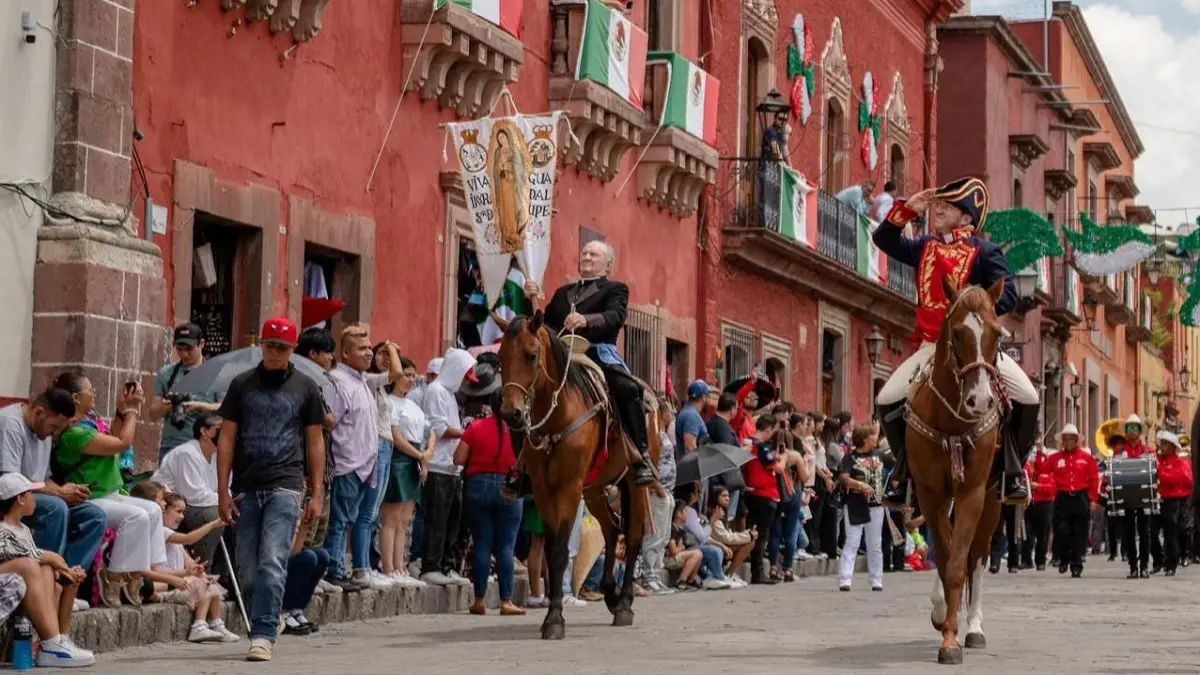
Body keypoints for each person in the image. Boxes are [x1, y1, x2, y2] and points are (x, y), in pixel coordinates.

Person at [872, 177, 1039, 506]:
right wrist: (907, 210)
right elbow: (884, 239)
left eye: (947, 208)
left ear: (966, 219)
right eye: (939, 205)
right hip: (931, 346)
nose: (938, 211)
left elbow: (1008, 294)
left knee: (1029, 397)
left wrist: (977, 311)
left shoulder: (985, 252)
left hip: (974, 347)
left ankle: (1012, 471)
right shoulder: (924, 247)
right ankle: (903, 474)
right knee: (887, 397)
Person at [217, 317, 326, 663]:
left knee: (272, 561)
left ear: (293, 350)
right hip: (246, 486)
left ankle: (262, 633)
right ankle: (268, 616)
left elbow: (315, 443)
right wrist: (221, 490)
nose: (276, 353)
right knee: (248, 568)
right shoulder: (241, 385)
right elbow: (227, 438)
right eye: (270, 345)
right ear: (261, 345)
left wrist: (317, 493)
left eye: (283, 347)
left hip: (287, 485)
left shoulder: (306, 388)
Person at [523, 241, 654, 484]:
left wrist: (587, 319)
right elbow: (543, 326)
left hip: (596, 352)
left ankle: (641, 456)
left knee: (628, 389)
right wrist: (528, 297)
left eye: (594, 254)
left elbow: (616, 317)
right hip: (562, 354)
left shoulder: (616, 289)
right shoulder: (563, 292)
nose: (587, 256)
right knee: (524, 391)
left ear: (608, 264)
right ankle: (520, 466)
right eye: (584, 253)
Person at [49, 371, 165, 608]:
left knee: (153, 510)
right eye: (89, 392)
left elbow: (114, 433)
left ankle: (136, 573)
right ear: (75, 398)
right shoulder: (74, 433)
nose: (94, 395)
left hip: (110, 492)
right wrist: (133, 411)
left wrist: (122, 411)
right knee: (137, 516)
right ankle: (112, 576)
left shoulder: (90, 421)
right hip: (90, 496)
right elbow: (121, 443)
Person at [321, 327, 399, 590]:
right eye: (362, 349)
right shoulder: (338, 381)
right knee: (340, 520)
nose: (368, 353)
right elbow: (330, 423)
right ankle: (333, 570)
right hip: (348, 462)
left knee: (353, 519)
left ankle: (342, 568)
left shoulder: (361, 380)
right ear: (345, 352)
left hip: (366, 463)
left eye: (369, 348)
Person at [0, 388, 106, 576]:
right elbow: (11, 484)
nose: (54, 434)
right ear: (39, 412)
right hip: (12, 498)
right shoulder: (10, 424)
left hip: (34, 494)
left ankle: (67, 580)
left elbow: (44, 477)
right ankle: (44, 579)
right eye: (54, 427)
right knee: (55, 508)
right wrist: (59, 493)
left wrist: (65, 490)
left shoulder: (43, 431)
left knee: (94, 516)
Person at [0, 473, 95, 667]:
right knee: (33, 564)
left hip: (24, 582)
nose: (35, 498)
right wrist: (56, 560)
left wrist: (64, 571)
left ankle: (58, 640)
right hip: (9, 579)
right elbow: (24, 554)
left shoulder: (25, 530)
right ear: (19, 499)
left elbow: (37, 556)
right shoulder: (2, 528)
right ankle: (52, 643)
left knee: (56, 577)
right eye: (31, 493)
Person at [453, 364, 524, 616]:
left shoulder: (476, 427)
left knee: (481, 543)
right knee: (506, 546)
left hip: (478, 486)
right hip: (509, 486)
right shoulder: (518, 431)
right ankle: (506, 601)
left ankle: (480, 600)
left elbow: (458, 459)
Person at [146, 492, 237, 644]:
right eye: (178, 511)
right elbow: (189, 539)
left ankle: (216, 623)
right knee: (203, 585)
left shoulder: (174, 538)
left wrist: (197, 570)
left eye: (184, 512)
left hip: (177, 583)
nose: (182, 517)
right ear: (164, 511)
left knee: (208, 581)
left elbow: (189, 564)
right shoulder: (161, 531)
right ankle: (199, 625)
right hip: (166, 585)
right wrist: (212, 525)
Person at [419, 347, 476, 586]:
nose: (465, 382)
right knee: (437, 520)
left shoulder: (449, 395)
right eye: (464, 376)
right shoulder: (435, 391)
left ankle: (447, 564)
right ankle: (431, 565)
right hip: (438, 466)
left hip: (452, 468)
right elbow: (438, 428)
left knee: (452, 520)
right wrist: (468, 433)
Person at [379, 356, 431, 587]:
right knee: (390, 517)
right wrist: (418, 455)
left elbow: (430, 431)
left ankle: (400, 566)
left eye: (413, 375)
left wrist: (426, 455)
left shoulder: (414, 406)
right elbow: (396, 437)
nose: (410, 380)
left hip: (416, 458)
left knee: (404, 519)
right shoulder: (389, 402)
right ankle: (388, 566)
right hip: (399, 459)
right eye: (406, 375)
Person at [152, 412, 223, 567]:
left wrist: (227, 499)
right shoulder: (187, 453)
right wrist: (225, 500)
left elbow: (224, 487)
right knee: (215, 515)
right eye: (219, 428)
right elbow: (195, 496)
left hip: (193, 502)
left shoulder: (218, 455)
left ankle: (225, 575)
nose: (224, 432)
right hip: (170, 504)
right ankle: (202, 568)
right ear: (204, 431)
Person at [149, 323, 220, 460]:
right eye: (180, 349)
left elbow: (225, 407)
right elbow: (153, 414)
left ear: (202, 344)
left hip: (204, 445)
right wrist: (169, 405)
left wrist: (199, 406)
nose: (184, 354)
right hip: (171, 445)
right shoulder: (166, 374)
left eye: (189, 349)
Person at [837, 424, 886, 592]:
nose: (876, 439)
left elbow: (895, 471)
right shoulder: (849, 458)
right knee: (852, 541)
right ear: (865, 439)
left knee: (875, 544)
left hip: (876, 505)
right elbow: (843, 478)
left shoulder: (880, 455)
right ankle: (845, 579)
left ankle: (876, 580)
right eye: (873, 436)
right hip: (855, 503)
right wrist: (859, 484)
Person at [1050, 425, 1099, 578]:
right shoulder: (1054, 459)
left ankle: (1076, 565)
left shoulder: (1087, 458)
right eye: (1066, 439)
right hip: (1062, 498)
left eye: (1071, 438)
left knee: (1080, 533)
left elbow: (1093, 479)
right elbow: (1044, 473)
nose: (1068, 441)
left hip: (1080, 497)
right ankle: (1064, 558)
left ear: (1077, 440)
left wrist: (1093, 500)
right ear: (1062, 441)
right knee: (1062, 531)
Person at [640, 397, 677, 596]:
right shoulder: (653, 435)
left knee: (664, 536)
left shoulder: (663, 435)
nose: (671, 415)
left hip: (667, 491)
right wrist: (657, 487)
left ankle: (656, 574)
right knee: (654, 536)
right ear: (663, 414)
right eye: (670, 412)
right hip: (658, 491)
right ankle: (649, 576)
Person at [742, 416, 783, 585]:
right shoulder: (761, 447)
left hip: (752, 492)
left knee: (754, 532)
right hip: (764, 493)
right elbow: (775, 466)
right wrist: (779, 460)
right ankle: (757, 572)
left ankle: (756, 570)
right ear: (767, 429)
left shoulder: (747, 443)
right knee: (761, 535)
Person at [1118, 414, 1153, 579]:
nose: (1132, 431)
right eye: (1129, 428)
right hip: (1126, 498)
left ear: (1139, 431)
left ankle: (1144, 566)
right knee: (1128, 534)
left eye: (1135, 428)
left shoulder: (1148, 450)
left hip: (1144, 497)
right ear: (1126, 431)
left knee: (1144, 533)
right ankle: (1133, 566)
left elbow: (1154, 472)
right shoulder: (1119, 451)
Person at [1155, 430, 1192, 577]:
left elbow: (1181, 480)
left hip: (1173, 501)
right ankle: (1159, 560)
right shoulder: (1156, 460)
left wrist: (1161, 473)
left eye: (1164, 444)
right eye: (1161, 443)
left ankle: (1172, 564)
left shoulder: (1180, 463)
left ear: (1171, 446)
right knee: (1151, 533)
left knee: (1171, 534)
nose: (1161, 446)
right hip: (1157, 500)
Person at [1022, 441, 1055, 571]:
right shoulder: (1028, 470)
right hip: (1030, 503)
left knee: (1043, 535)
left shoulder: (1048, 471)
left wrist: (1038, 486)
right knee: (1027, 533)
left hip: (1044, 504)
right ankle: (1026, 560)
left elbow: (1052, 488)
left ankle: (1040, 561)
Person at [674, 381, 710, 456]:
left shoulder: (688, 412)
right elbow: (690, 447)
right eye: (708, 396)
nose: (709, 400)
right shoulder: (691, 416)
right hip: (691, 466)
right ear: (703, 397)